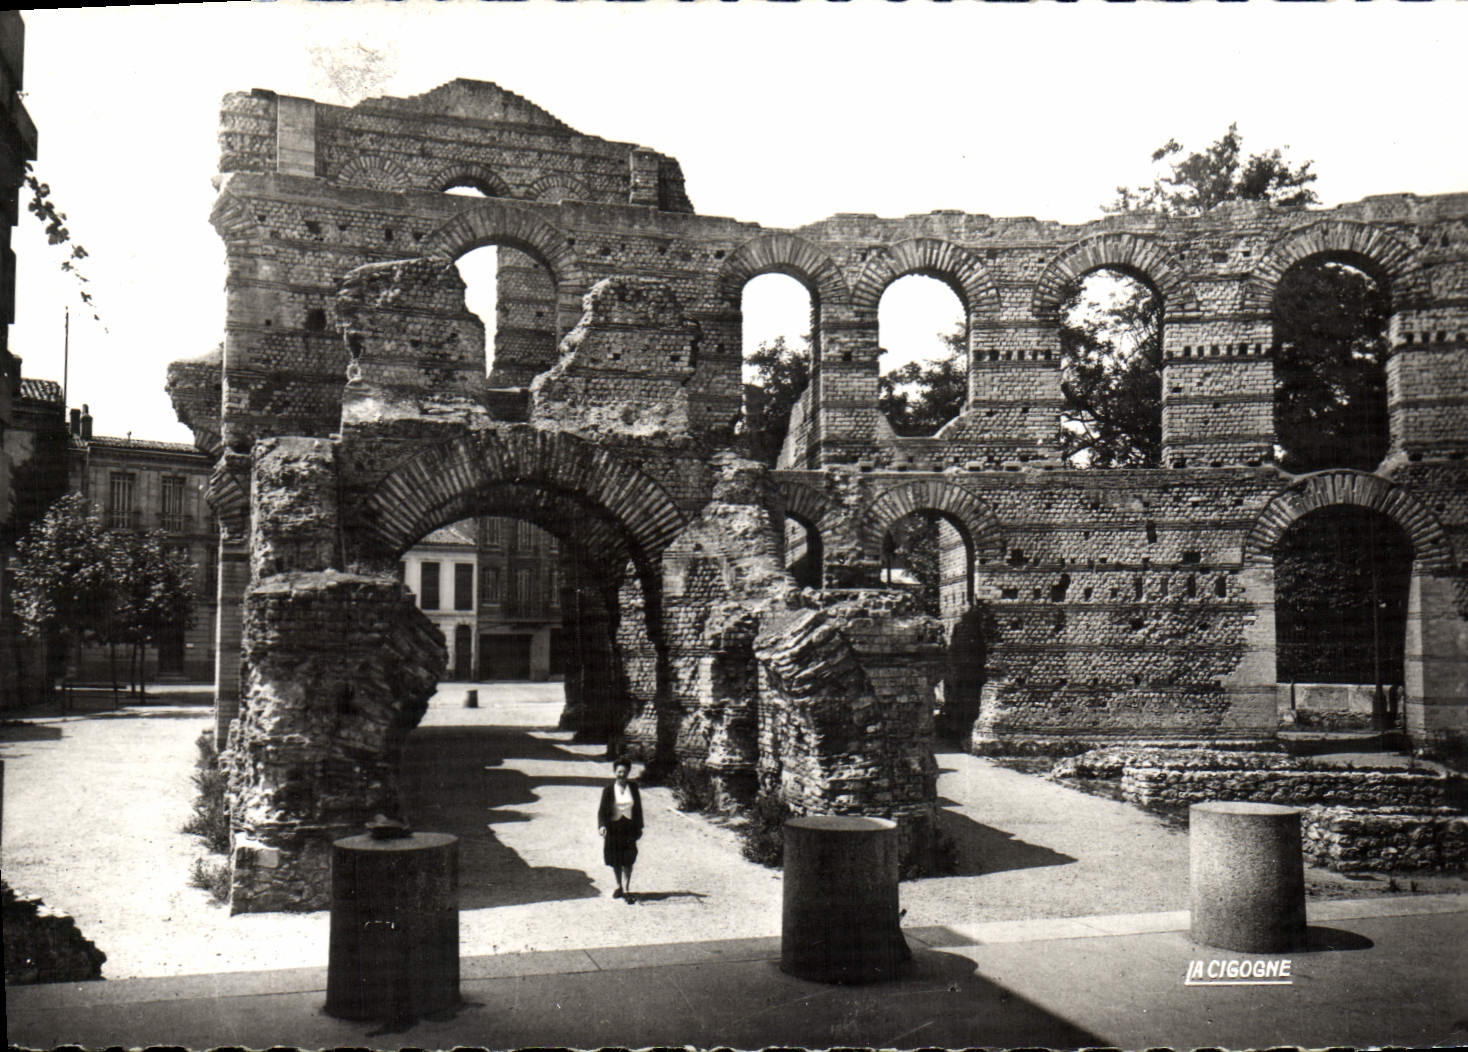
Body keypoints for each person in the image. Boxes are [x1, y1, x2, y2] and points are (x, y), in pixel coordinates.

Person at [597, 758, 644, 904]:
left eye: (624, 772)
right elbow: (602, 811)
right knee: (616, 858)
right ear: (614, 772)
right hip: (614, 828)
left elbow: (638, 808)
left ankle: (628, 888)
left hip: (629, 827)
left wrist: (639, 826)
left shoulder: (634, 788)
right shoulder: (608, 790)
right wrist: (602, 825)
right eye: (619, 772)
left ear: (628, 773)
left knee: (628, 859)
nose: (621, 775)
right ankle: (619, 886)